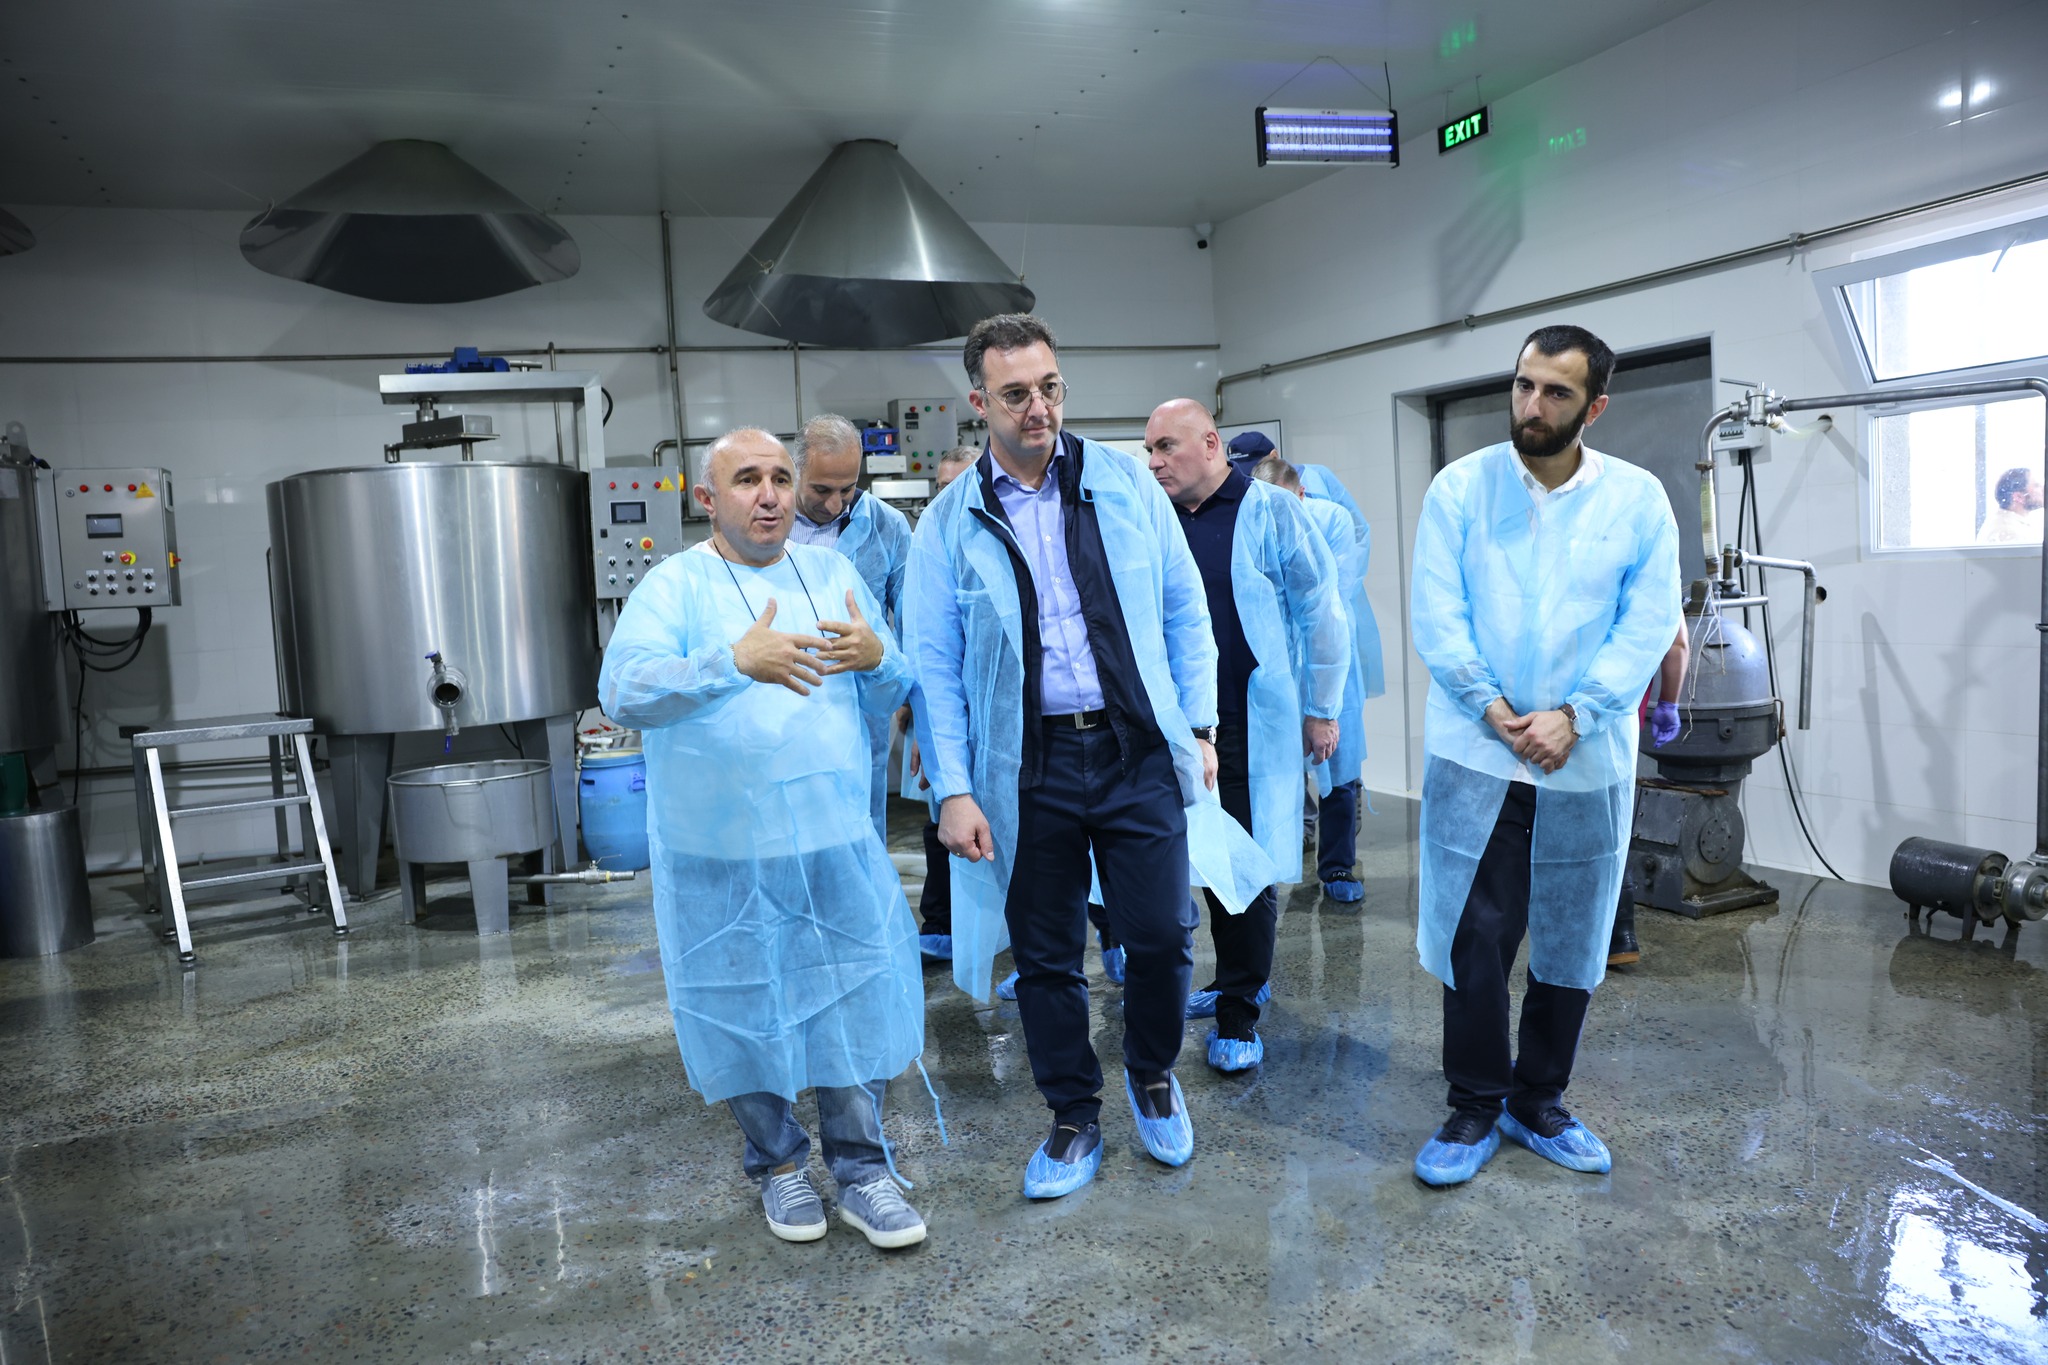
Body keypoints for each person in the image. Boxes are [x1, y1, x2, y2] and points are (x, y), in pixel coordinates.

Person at [905, 313, 1272, 1200]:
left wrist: (1200, 727)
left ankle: (1152, 1073)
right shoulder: (950, 522)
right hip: (1025, 763)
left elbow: (1183, 606)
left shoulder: (1120, 481)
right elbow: (934, 666)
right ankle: (1073, 1113)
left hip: (1133, 747)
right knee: (1045, 955)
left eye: (1050, 387)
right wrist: (953, 788)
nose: (1039, 407)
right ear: (979, 401)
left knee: (1162, 933)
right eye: (1016, 394)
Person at [599, 427, 929, 1249]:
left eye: (781, 476)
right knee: (743, 1007)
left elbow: (891, 679)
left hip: (831, 839)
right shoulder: (676, 585)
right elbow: (623, 689)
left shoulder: (831, 573)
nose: (771, 494)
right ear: (707, 499)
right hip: (720, 855)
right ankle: (779, 1164)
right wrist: (728, 662)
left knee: (849, 996)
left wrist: (878, 656)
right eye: (748, 479)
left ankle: (863, 1170)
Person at [1408, 324, 1680, 1188]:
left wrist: (1577, 715)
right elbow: (1438, 613)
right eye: (1524, 384)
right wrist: (1495, 710)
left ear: (1594, 408)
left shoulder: (1637, 501)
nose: (1532, 404)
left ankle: (1540, 1099)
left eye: (1556, 392)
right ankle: (1475, 1101)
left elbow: (1647, 622)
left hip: (1582, 757)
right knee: (1475, 936)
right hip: (1478, 753)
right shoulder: (1461, 488)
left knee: (1573, 933)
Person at [1147, 400, 1349, 1073]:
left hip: (1247, 719)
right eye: (1150, 450)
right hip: (1171, 723)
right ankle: (1228, 976)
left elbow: (1322, 610)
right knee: (1192, 861)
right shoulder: (1155, 518)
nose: (1155, 462)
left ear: (1210, 444)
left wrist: (1322, 707)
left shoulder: (1271, 512)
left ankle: (1240, 1007)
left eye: (1166, 447)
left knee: (1246, 862)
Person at [1229, 433, 1387, 902]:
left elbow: (1328, 597)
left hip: (1327, 653)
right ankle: (1289, 839)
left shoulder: (1329, 514)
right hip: (1275, 658)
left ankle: (1337, 864)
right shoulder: (1250, 516)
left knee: (1337, 757)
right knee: (1278, 757)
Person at [789, 414, 914, 843]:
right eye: (821, 490)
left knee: (858, 831)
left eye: (847, 489)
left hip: (860, 711)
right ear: (795, 470)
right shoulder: (767, 523)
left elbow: (914, 622)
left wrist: (911, 697)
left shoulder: (886, 526)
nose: (835, 505)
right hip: (783, 705)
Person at [905, 445, 981, 962]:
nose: (945, 499)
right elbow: (927, 650)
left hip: (1006, 723)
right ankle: (942, 925)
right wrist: (924, 729)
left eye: (956, 486)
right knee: (944, 820)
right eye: (939, 487)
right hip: (946, 712)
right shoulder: (929, 545)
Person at [1610, 620, 1690, 967]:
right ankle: (1619, 937)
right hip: (1617, 725)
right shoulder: (1653, 581)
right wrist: (1668, 703)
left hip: (1552, 716)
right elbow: (1676, 643)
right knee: (1610, 831)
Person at [1976, 466, 2044, 545]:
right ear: (2018, 497)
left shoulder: (2010, 524)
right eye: (2037, 485)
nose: (2044, 489)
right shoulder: (2008, 532)